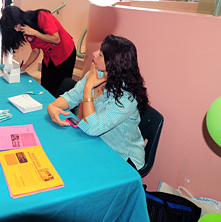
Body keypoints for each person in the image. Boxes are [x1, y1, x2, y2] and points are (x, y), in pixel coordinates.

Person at [47, 34, 149, 171]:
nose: (94, 54)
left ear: (113, 63)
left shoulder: (127, 97)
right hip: (97, 145)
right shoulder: (98, 74)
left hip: (123, 159)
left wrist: (88, 88)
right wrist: (52, 106)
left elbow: (92, 129)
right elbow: (71, 97)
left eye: (101, 54)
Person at [0, 6, 76, 97]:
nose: (16, 29)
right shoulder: (25, 29)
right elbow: (35, 51)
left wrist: (34, 32)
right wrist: (24, 66)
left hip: (65, 54)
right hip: (49, 57)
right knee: (46, 87)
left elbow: (56, 39)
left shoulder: (42, 16)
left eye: (15, 26)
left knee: (59, 90)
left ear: (18, 18)